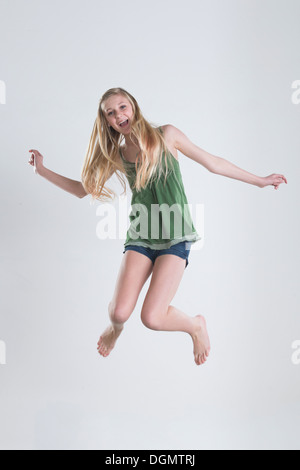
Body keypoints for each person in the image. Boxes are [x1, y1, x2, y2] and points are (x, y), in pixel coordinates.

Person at [28, 87, 287, 366]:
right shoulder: (119, 154)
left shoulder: (167, 135)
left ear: (134, 108)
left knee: (152, 317)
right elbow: (83, 190)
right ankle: (115, 330)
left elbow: (213, 163)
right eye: (110, 113)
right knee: (118, 314)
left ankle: (195, 325)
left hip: (175, 237)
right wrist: (42, 171)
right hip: (141, 236)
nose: (118, 115)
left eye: (122, 107)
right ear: (107, 122)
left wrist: (259, 180)